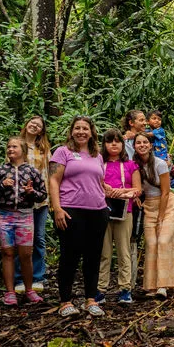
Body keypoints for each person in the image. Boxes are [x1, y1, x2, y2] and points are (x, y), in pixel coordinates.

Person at [49, 116, 110, 318]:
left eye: (85, 128)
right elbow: (53, 180)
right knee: (70, 255)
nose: (81, 132)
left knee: (93, 257)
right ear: (72, 131)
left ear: (92, 132)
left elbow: (98, 182)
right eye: (77, 128)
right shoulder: (63, 151)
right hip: (71, 210)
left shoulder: (97, 155)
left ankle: (90, 299)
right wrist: (56, 208)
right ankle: (65, 301)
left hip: (97, 211)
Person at [0, 137, 48, 305]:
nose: (11, 149)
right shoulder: (1, 169)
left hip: (25, 215)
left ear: (23, 150)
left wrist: (31, 192)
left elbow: (43, 194)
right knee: (7, 253)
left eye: (14, 147)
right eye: (8, 146)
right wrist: (2, 184)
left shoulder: (32, 171)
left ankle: (29, 290)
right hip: (3, 214)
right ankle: (10, 292)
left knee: (26, 254)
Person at [134, 132, 174, 296]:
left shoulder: (160, 164)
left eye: (145, 142)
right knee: (151, 244)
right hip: (149, 206)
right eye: (138, 142)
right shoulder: (135, 166)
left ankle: (164, 285)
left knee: (163, 240)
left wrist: (161, 217)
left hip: (167, 204)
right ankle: (152, 286)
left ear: (151, 145)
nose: (142, 145)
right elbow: (137, 189)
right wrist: (136, 197)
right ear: (134, 146)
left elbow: (166, 192)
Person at [98, 129, 141, 305]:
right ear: (104, 144)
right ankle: (100, 289)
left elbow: (138, 189)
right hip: (103, 210)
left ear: (123, 145)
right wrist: (105, 188)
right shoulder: (99, 164)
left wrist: (122, 191)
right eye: (109, 141)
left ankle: (125, 288)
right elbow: (92, 184)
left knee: (124, 251)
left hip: (125, 211)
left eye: (117, 141)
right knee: (104, 252)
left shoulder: (131, 165)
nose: (114, 144)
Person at [16, 115, 51, 294]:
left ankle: (38, 277)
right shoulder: (17, 144)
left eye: (39, 125)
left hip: (41, 200)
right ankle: (19, 278)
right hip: (20, 200)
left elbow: (48, 173)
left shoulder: (44, 148)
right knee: (20, 239)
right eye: (32, 123)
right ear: (26, 124)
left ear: (41, 130)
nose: (34, 126)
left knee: (38, 237)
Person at [122, 110, 149, 261]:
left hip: (145, 189)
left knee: (138, 228)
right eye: (141, 120)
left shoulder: (146, 140)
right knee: (130, 228)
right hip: (129, 190)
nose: (145, 123)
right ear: (131, 123)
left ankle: (133, 263)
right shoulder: (124, 141)